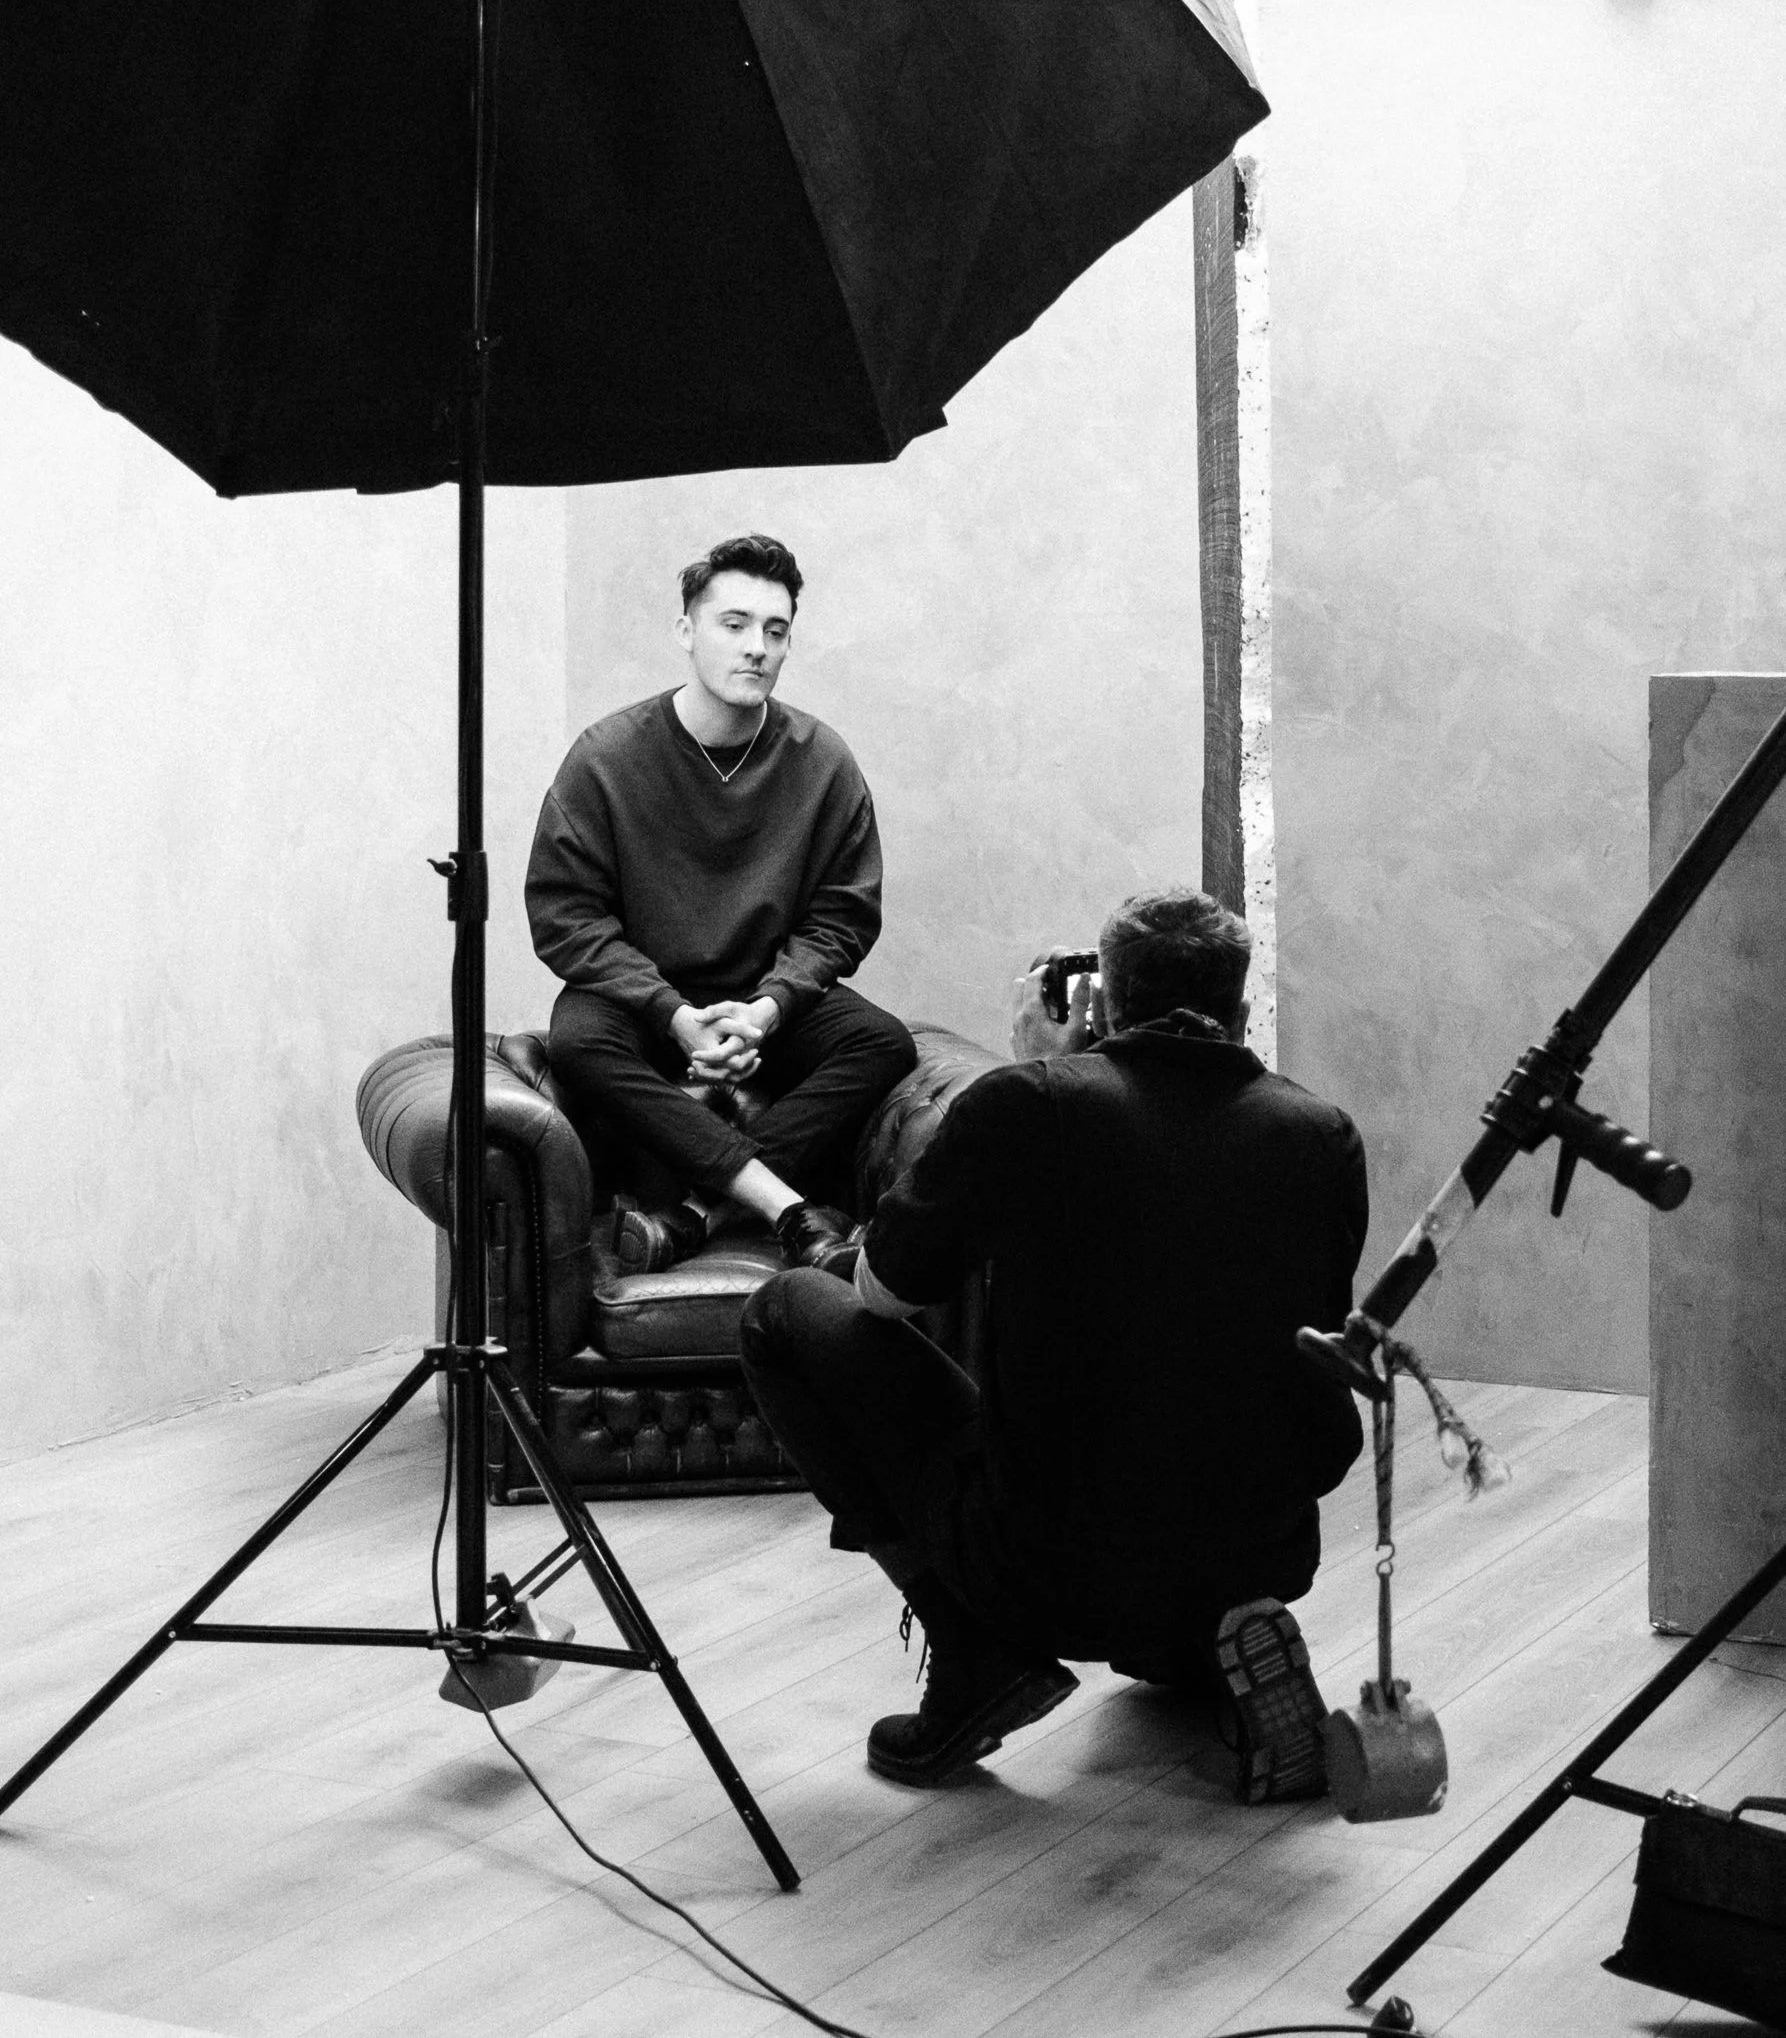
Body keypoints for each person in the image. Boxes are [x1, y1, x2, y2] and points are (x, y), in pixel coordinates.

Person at [739, 887, 1369, 1797]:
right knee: (1192, 1430)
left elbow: (882, 1290)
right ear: (1241, 1011)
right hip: (1262, 1545)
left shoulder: (1030, 1102)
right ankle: (1215, 1637)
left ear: (1104, 1002)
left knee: (785, 1310)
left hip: (1050, 1570)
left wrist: (1038, 1072)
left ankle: (977, 1655)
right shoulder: (1322, 1134)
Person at [527, 533, 916, 1273]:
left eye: (775, 630)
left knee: (882, 1042)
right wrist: (672, 1013)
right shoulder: (606, 757)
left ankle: (697, 1214)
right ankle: (785, 1206)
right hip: (642, 999)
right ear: (686, 631)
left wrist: (768, 1008)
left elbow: (843, 916)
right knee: (578, 1041)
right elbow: (565, 916)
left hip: (765, 998)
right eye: (733, 624)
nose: (756, 648)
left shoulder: (821, 760)